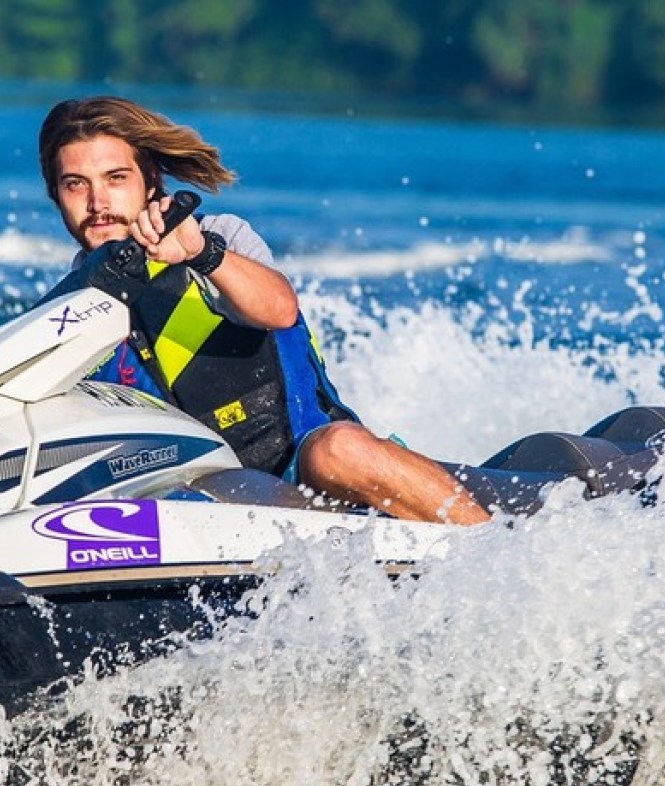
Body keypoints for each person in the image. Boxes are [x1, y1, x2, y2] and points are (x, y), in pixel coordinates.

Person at [38, 97, 489, 525]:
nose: (97, 203)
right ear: (55, 194)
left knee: (338, 451)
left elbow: (279, 309)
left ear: (150, 181)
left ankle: (492, 549)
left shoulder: (218, 237)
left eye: (116, 178)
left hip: (305, 460)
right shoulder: (62, 312)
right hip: (194, 491)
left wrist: (201, 254)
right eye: (76, 184)